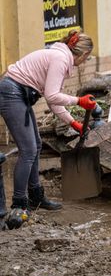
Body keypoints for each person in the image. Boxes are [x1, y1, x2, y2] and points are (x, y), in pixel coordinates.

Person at [0, 29, 97, 230]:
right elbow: (53, 96)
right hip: (11, 93)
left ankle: (36, 196)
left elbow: (53, 100)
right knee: (27, 150)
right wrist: (79, 101)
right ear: (83, 54)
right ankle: (19, 204)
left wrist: (72, 122)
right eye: (87, 59)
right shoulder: (60, 59)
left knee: (35, 145)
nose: (85, 62)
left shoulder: (59, 57)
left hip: (18, 93)